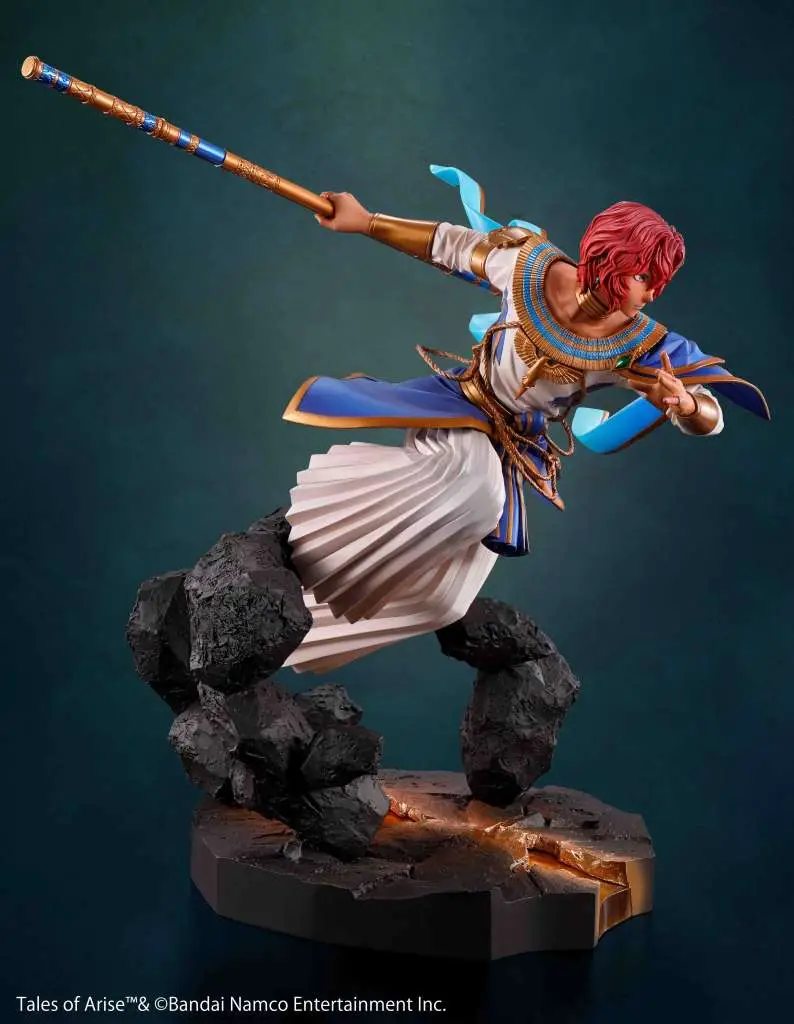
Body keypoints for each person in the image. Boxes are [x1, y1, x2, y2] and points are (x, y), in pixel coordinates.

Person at [281, 178, 770, 674]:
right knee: (477, 493)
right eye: (645, 276)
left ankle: (299, 639)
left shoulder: (642, 345)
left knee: (445, 601)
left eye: (659, 282)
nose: (653, 293)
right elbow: (446, 244)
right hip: (461, 409)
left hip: (514, 449)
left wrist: (684, 404)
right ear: (610, 258)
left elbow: (712, 416)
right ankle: (316, 529)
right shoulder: (527, 264)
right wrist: (366, 221)